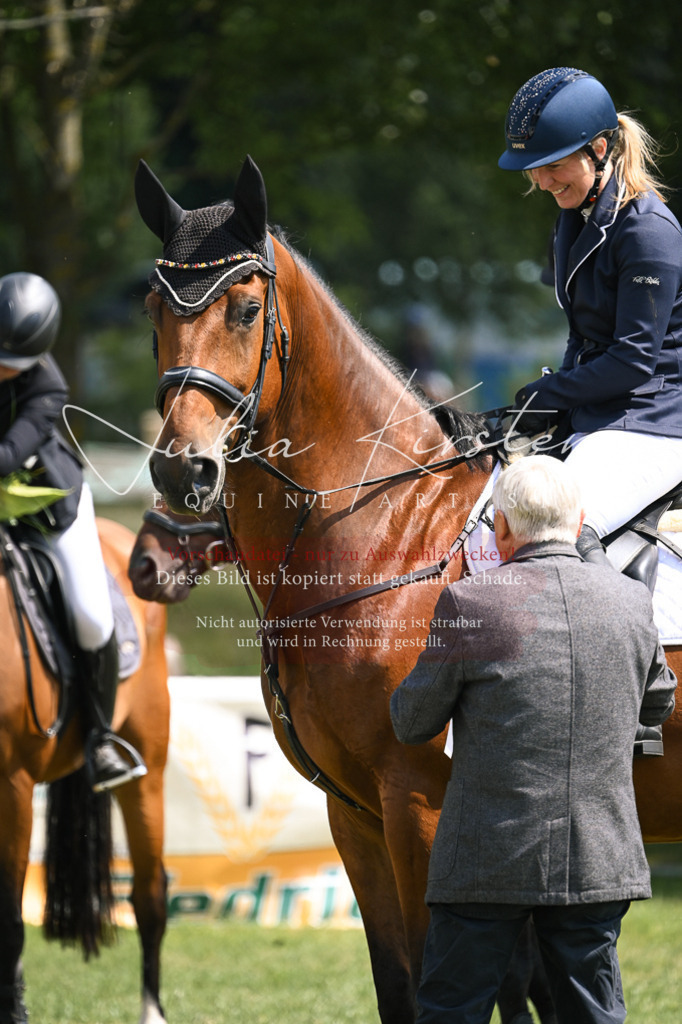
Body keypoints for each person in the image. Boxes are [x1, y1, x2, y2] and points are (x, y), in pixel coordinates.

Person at [390, 456, 675, 1024]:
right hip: (597, 857)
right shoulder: (632, 603)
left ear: (500, 528)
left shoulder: (470, 604)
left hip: (483, 861)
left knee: (451, 1012)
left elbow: (412, 720)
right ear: (580, 522)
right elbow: (658, 702)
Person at [498, 67, 682, 566]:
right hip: (602, 414)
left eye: (551, 164)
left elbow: (632, 361)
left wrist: (550, 392)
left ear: (599, 150)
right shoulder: (574, 217)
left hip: (654, 420)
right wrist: (549, 404)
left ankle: (624, 642)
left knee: (564, 531)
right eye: (532, 168)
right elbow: (584, 338)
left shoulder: (649, 231)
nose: (539, 180)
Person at [0, 271, 147, 792]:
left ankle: (101, 739)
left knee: (90, 615)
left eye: (7, 366)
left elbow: (7, 457)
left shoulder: (46, 387)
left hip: (51, 511)